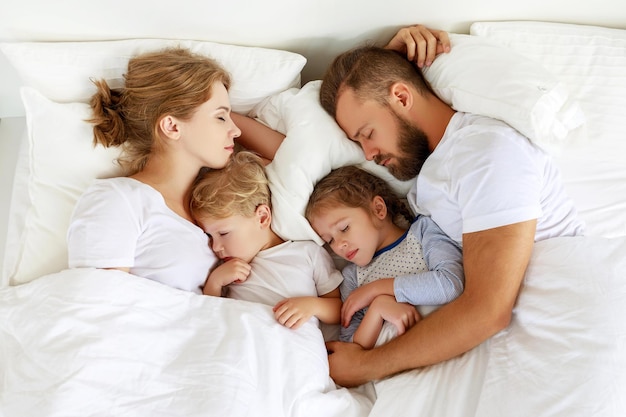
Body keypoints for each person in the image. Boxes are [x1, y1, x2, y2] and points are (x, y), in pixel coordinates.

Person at [318, 25, 586, 386]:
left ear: (401, 96)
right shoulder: (435, 166)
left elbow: (487, 311)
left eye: (367, 134)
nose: (369, 154)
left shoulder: (486, 153)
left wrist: (367, 366)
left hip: (567, 327)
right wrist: (383, 59)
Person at [67, 47, 284, 294]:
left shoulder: (217, 196)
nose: (236, 131)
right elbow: (97, 309)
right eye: (221, 118)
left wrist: (214, 110)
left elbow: (287, 156)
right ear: (171, 126)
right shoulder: (118, 199)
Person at [305, 165, 464, 349]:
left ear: (378, 209)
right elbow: (350, 347)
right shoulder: (352, 278)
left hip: (446, 339)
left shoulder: (423, 232)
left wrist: (376, 290)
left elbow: (452, 284)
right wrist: (377, 309)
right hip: (394, 362)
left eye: (344, 228)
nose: (339, 245)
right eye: (329, 240)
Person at [190, 150, 343, 329]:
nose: (215, 247)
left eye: (223, 234)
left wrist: (313, 305)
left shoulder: (307, 253)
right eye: (209, 235)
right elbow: (212, 319)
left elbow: (339, 310)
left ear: (262, 217)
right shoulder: (225, 272)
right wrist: (214, 283)